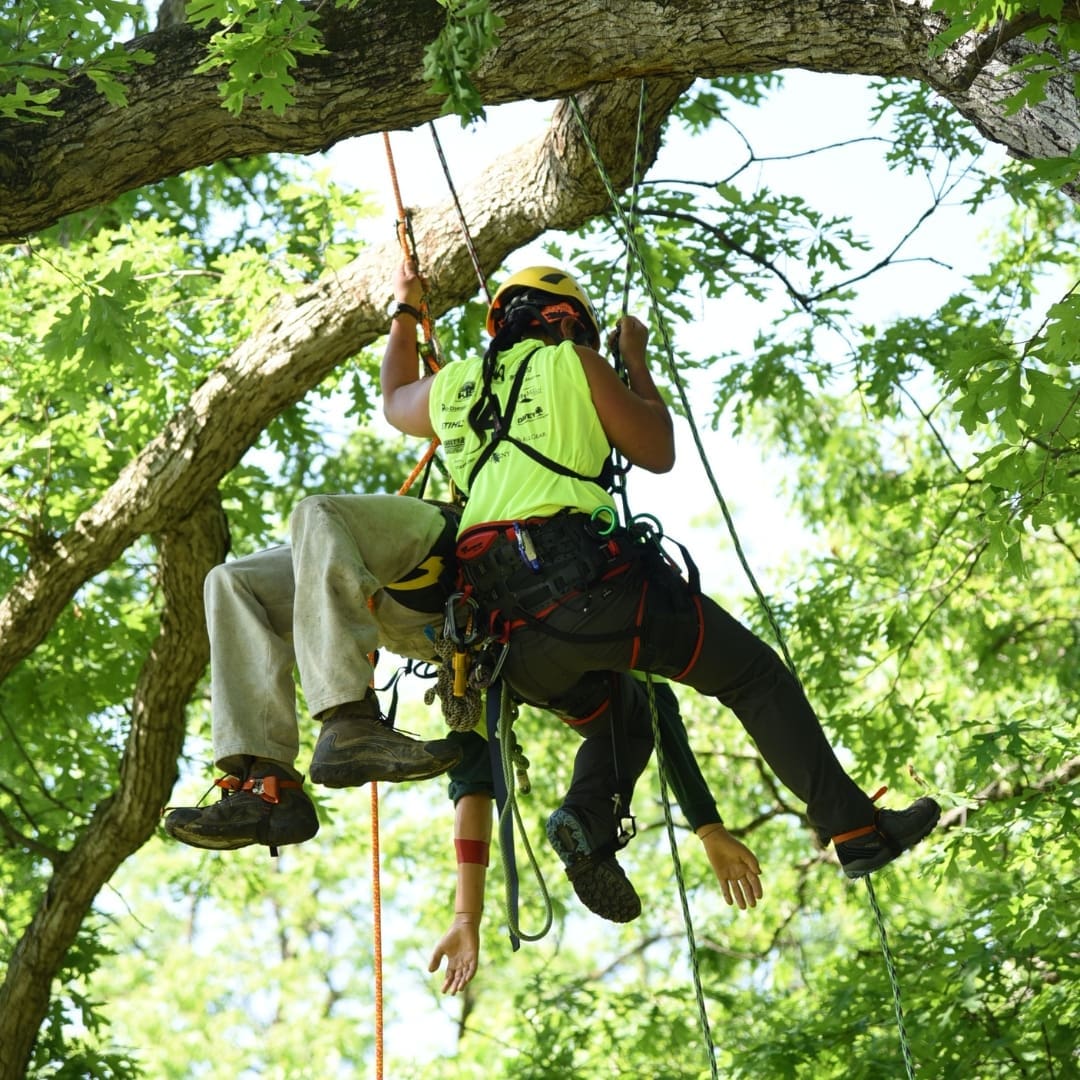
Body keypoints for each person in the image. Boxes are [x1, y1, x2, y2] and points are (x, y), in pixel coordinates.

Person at [380, 259, 941, 911]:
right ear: (565, 321)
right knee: (752, 676)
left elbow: (395, 400)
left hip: (508, 643)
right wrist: (635, 361)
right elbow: (656, 450)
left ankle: (588, 822)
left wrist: (403, 308)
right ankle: (854, 830)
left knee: (624, 714)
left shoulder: (453, 388)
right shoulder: (575, 365)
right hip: (590, 593)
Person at [163, 493, 466, 852]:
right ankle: (266, 782)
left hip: (448, 561)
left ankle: (348, 718)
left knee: (318, 513)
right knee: (229, 581)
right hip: (403, 612)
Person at [428, 678, 763, 995]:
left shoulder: (469, 654)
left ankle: (590, 823)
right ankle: (587, 815)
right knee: (638, 719)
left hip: (489, 659)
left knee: (479, 743)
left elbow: (472, 782)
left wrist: (466, 915)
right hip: (575, 653)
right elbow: (659, 712)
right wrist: (708, 826)